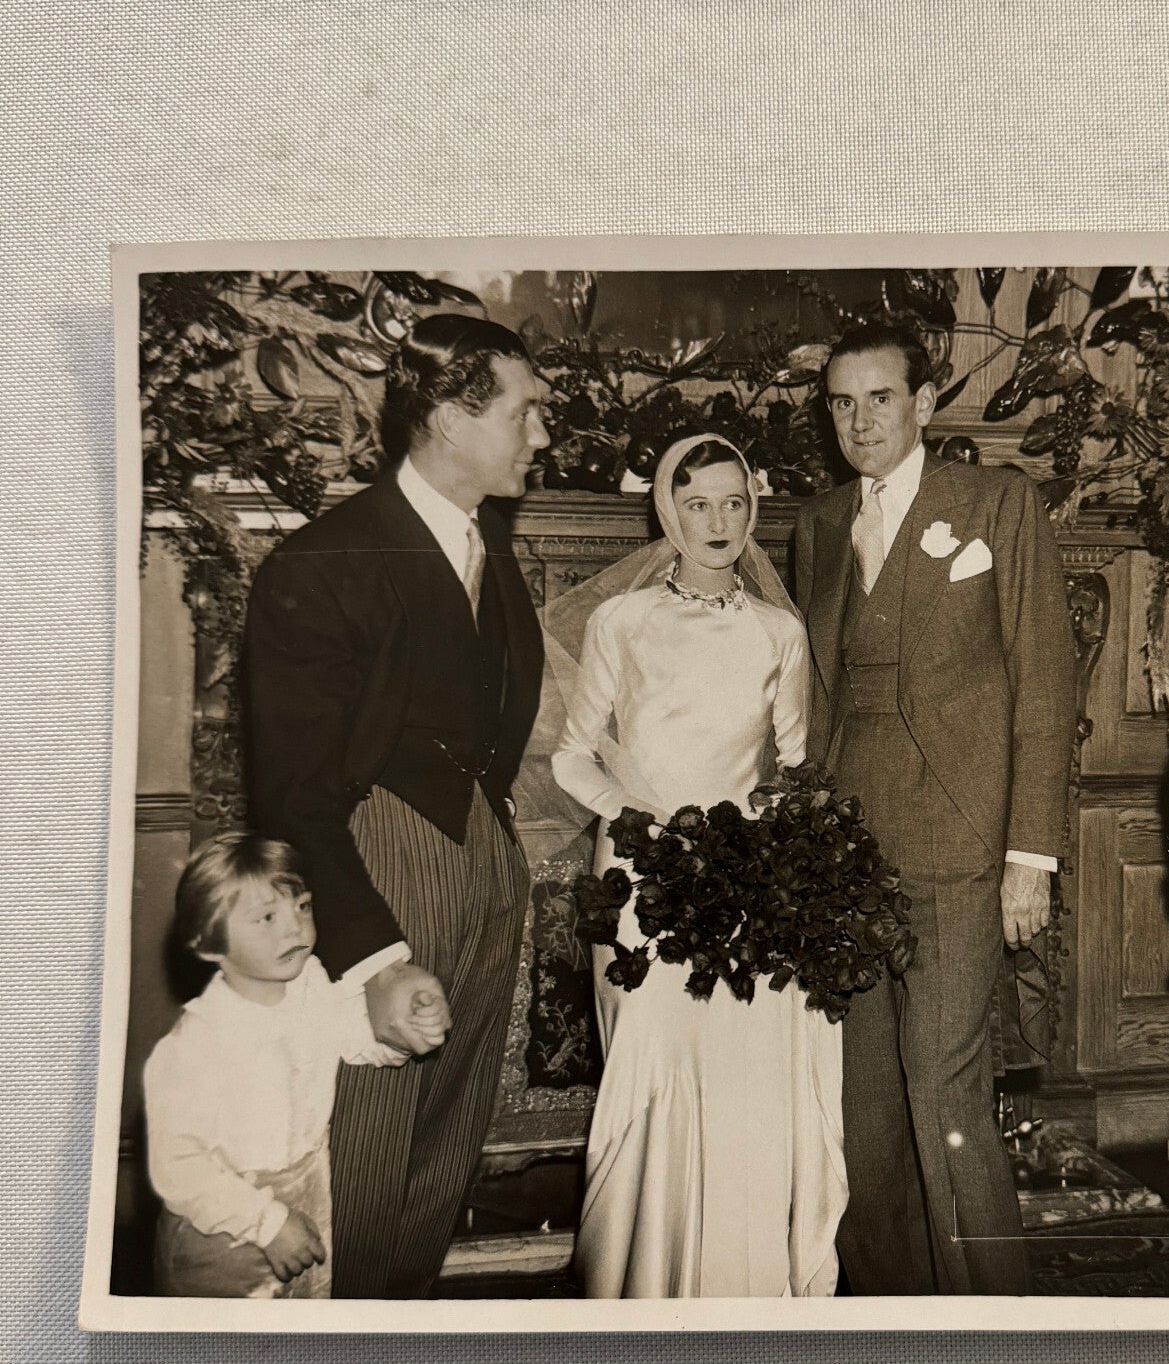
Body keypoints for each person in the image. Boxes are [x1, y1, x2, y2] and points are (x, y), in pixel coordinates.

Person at [244, 313, 547, 1298]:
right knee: (365, 1174)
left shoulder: (486, 549)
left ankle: (395, 1341)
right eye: (524, 410)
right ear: (452, 418)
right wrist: (369, 956)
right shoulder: (324, 560)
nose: (540, 434)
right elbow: (291, 792)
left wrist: (488, 858)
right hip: (379, 883)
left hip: (480, 867)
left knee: (442, 1162)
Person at [794, 322, 1075, 1297]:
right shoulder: (819, 523)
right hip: (846, 857)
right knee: (862, 1111)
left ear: (923, 403)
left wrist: (1028, 857)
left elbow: (1045, 691)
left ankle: (992, 1322)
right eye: (840, 401)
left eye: (879, 398)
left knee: (945, 1097)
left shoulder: (996, 505)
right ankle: (887, 1316)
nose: (859, 420)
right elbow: (816, 700)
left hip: (959, 847)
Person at [548, 434, 847, 1298]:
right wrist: (639, 822)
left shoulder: (778, 630)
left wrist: (773, 830)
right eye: (697, 504)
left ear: (752, 509)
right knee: (650, 1071)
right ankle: (634, 1286)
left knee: (740, 1077)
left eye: (733, 503)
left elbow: (793, 763)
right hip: (641, 875)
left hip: (743, 882)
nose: (718, 522)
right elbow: (573, 759)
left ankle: (736, 1283)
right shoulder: (623, 620)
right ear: (666, 514)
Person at [144, 833, 422, 1298]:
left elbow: (358, 1040)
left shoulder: (311, 984)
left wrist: (401, 1031)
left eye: (304, 907)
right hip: (224, 1226)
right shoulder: (196, 1044)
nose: (294, 929)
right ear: (209, 942)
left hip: (308, 1190)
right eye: (267, 917)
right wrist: (267, 1224)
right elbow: (179, 1167)